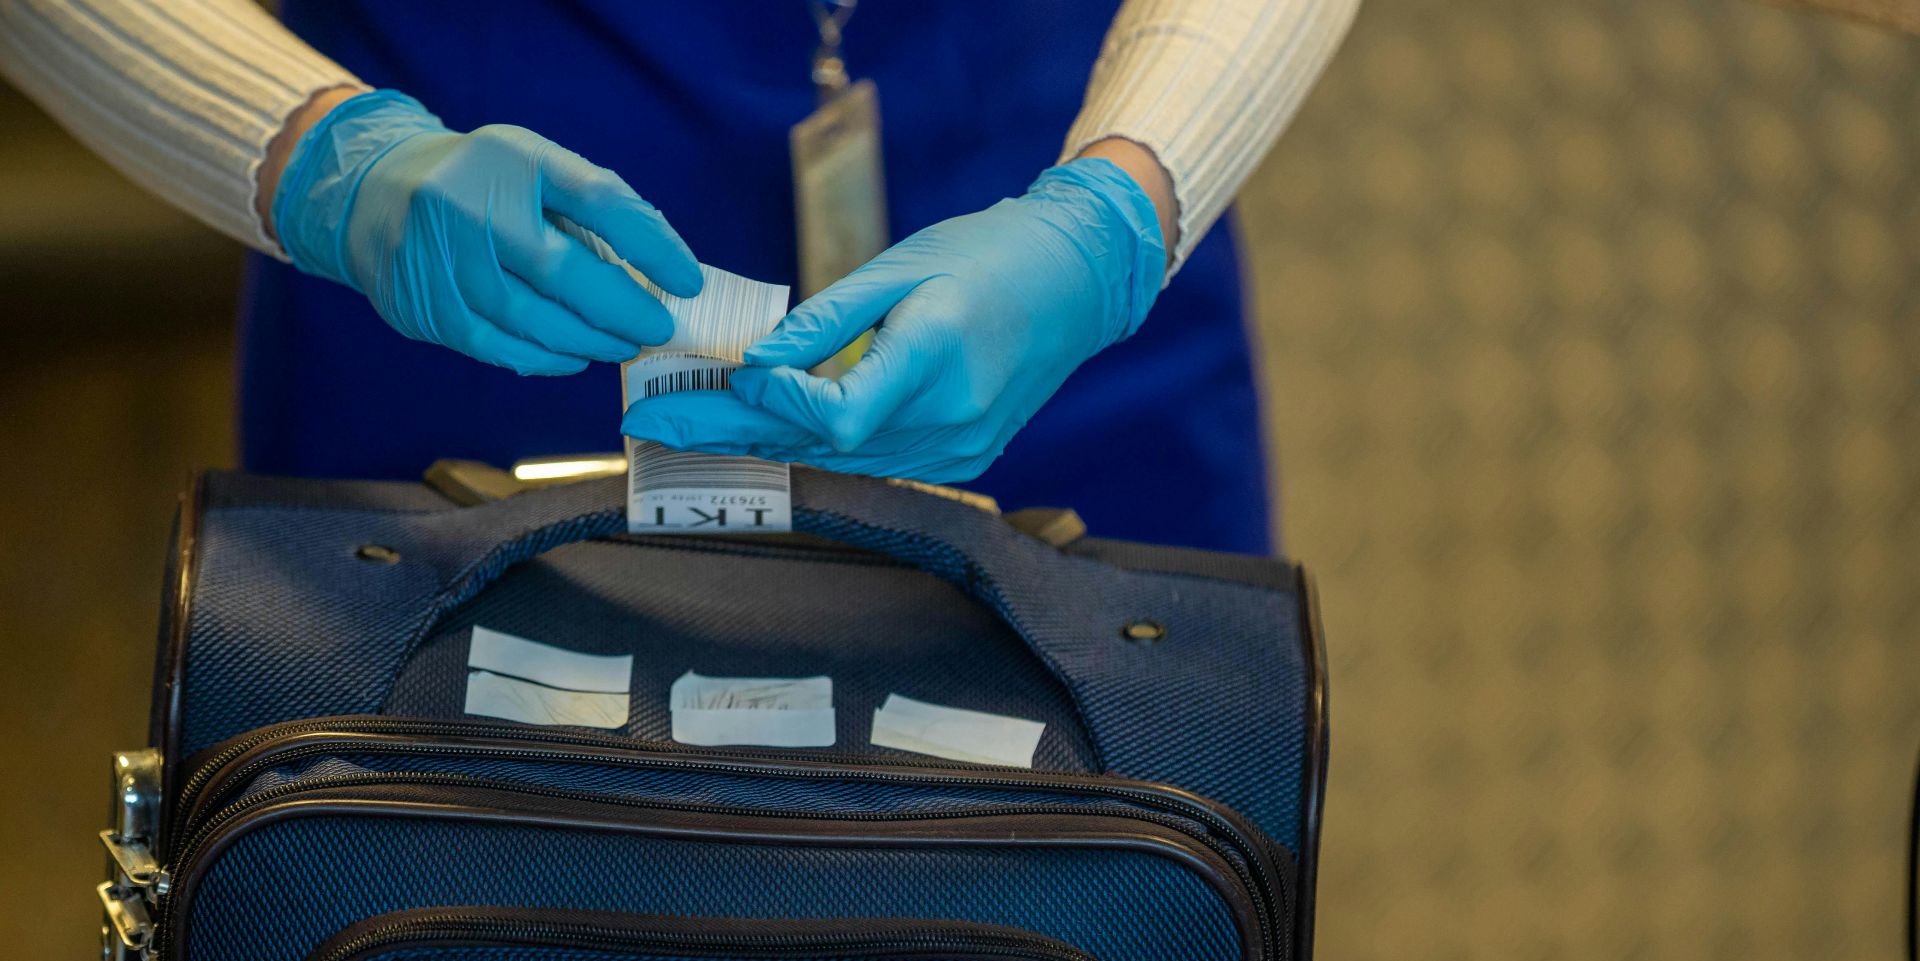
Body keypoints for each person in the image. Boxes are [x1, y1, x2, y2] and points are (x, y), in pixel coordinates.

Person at [0, 0, 1358, 555]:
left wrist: (1122, 209)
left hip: (1054, 231)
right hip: (473, 270)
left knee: (1110, 936)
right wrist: (313, 159)